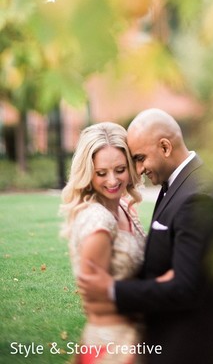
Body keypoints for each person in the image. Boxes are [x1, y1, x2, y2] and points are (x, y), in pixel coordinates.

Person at [78, 108, 213, 364]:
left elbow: (185, 289)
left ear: (165, 147)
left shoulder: (197, 197)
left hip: (190, 349)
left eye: (140, 158)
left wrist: (113, 290)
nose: (138, 169)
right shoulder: (181, 184)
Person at [60, 122, 147, 364]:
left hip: (137, 340)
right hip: (113, 346)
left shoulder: (123, 207)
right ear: (88, 173)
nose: (112, 181)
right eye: (101, 173)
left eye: (120, 169)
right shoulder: (97, 220)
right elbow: (96, 302)